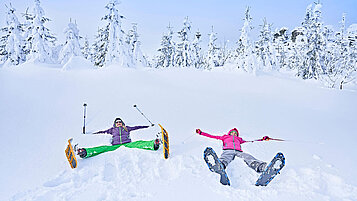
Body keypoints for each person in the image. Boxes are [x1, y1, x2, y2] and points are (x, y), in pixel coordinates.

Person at [77, 117, 160, 158]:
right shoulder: (112, 130)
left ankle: (153, 144)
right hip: (115, 146)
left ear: (122, 123)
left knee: (138, 143)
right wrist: (90, 134)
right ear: (115, 124)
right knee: (103, 148)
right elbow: (102, 132)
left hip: (127, 144)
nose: (119, 123)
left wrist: (148, 126)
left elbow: (137, 127)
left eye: (120, 122)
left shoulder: (126, 128)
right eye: (117, 122)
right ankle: (85, 152)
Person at [196, 128, 267, 173]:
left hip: (238, 151)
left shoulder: (239, 139)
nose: (234, 134)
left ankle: (259, 166)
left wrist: (262, 139)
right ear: (229, 133)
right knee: (226, 157)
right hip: (228, 150)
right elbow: (212, 136)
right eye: (233, 132)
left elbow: (251, 140)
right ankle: (221, 165)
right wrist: (201, 133)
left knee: (247, 156)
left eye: (235, 133)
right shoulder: (225, 137)